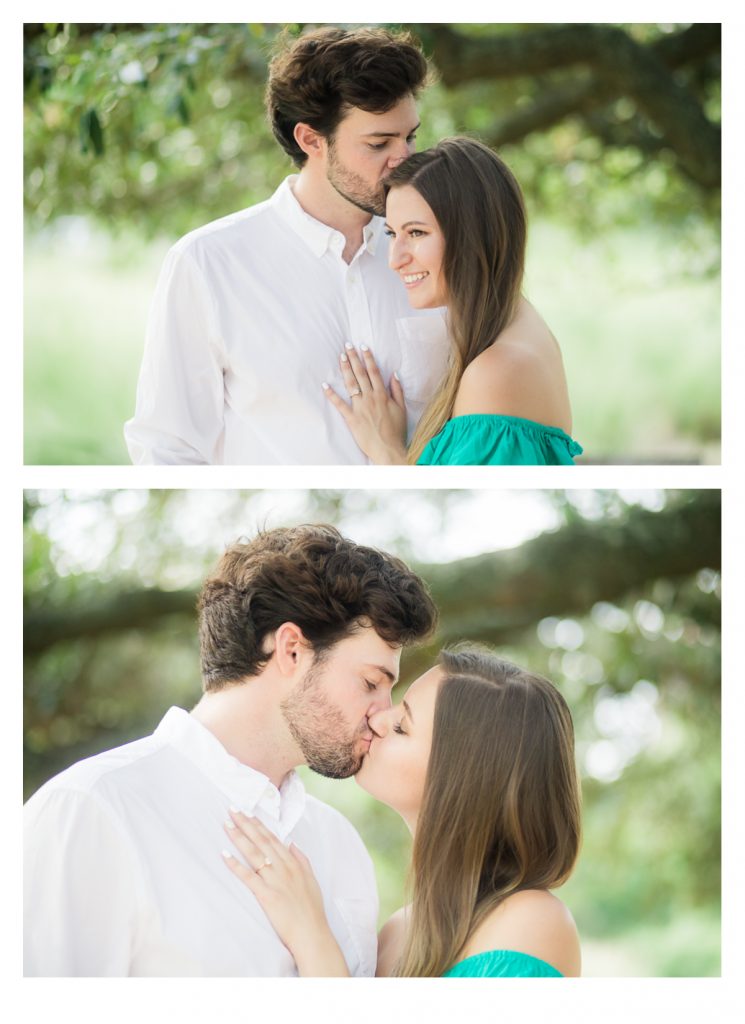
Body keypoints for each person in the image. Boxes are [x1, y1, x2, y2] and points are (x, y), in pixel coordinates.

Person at [23, 525, 437, 976]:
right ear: (292, 650)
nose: (381, 715)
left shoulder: (340, 846)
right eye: (371, 683)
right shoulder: (91, 809)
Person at [124, 27, 450, 465]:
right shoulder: (208, 263)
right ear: (311, 140)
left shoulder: (441, 248)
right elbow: (167, 448)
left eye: (410, 136)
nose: (405, 158)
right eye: (379, 143)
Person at [222, 644, 582, 976]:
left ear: (460, 775)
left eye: (401, 726)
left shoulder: (533, 922)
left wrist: (311, 935)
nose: (378, 720)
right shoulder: (397, 932)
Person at [321, 137, 584, 464]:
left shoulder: (497, 372)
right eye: (392, 234)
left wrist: (387, 451)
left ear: (473, 232)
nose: (395, 259)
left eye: (416, 233)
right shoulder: (517, 325)